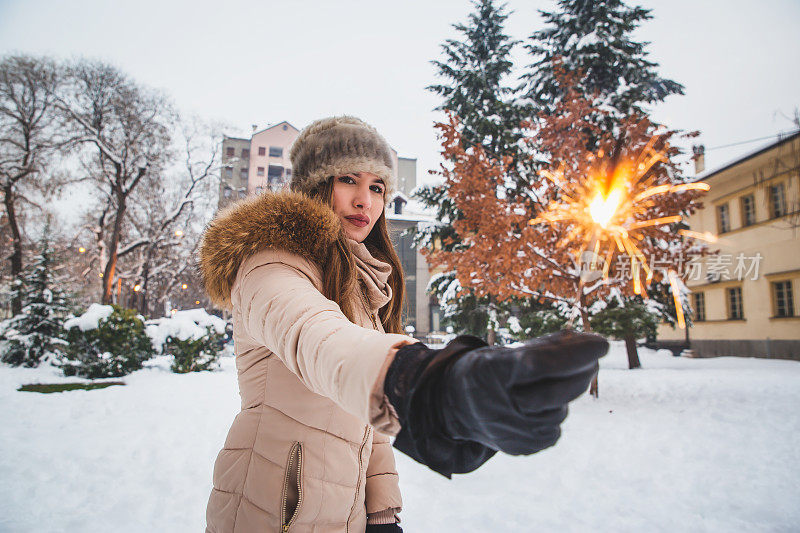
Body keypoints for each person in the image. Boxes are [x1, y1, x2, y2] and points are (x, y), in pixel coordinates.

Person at [200, 116, 608, 532]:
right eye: (348, 180)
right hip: (270, 511)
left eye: (377, 187)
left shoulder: (362, 282)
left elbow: (364, 407)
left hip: (345, 515)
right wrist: (422, 384)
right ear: (315, 185)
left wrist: (381, 513)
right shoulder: (269, 263)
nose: (366, 201)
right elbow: (321, 341)